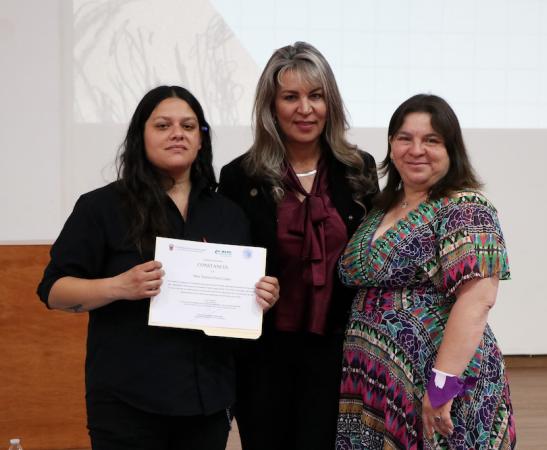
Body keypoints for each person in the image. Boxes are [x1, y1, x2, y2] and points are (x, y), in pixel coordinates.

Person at [37, 85, 279, 450]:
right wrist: (118, 286)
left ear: (201, 140)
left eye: (188, 126)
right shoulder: (102, 207)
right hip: (128, 404)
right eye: (163, 125)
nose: (177, 133)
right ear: (141, 136)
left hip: (207, 402)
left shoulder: (228, 213)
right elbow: (53, 291)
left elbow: (238, 305)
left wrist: (260, 295)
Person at [218, 42, 379, 450]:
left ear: (331, 103)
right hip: (264, 356)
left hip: (340, 352)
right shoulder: (239, 176)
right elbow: (227, 260)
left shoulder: (359, 170)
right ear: (271, 106)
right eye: (290, 97)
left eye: (316, 96)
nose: (304, 108)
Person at [336, 93, 516, 449]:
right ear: (391, 144)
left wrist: (441, 386)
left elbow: (477, 300)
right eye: (405, 138)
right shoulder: (381, 209)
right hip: (377, 382)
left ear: (451, 148)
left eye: (431, 140)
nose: (416, 149)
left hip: (440, 386)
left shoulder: (466, 208)